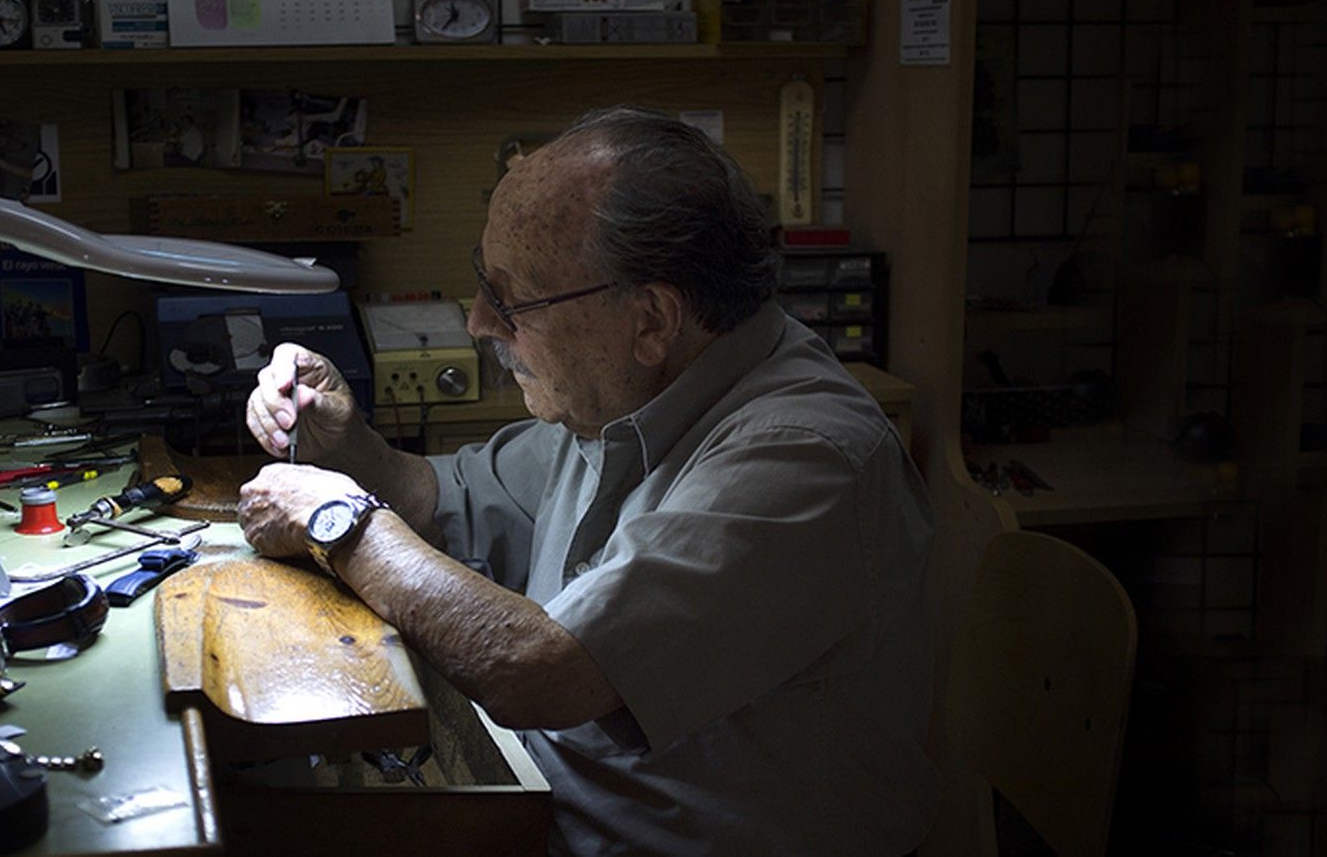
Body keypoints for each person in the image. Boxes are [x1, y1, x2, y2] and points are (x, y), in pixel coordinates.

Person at [237, 106, 936, 856]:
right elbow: (448, 501)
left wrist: (339, 519)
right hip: (548, 813)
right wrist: (349, 446)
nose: (477, 322)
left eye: (510, 299)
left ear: (652, 319)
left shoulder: (805, 459)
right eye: (482, 283)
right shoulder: (630, 392)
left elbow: (542, 673)